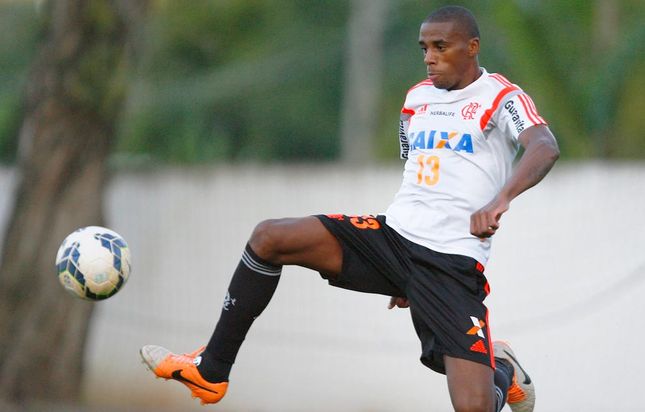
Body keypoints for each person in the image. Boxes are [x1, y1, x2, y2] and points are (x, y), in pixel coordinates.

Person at [140, 5, 559, 412]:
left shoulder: (501, 95)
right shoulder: (416, 99)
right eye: (423, 48)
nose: (429, 58)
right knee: (270, 237)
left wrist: (500, 200)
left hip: (451, 263)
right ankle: (211, 370)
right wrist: (400, 272)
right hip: (393, 240)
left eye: (440, 46)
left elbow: (544, 146)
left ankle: (501, 370)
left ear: (472, 47)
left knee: (473, 405)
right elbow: (416, 174)